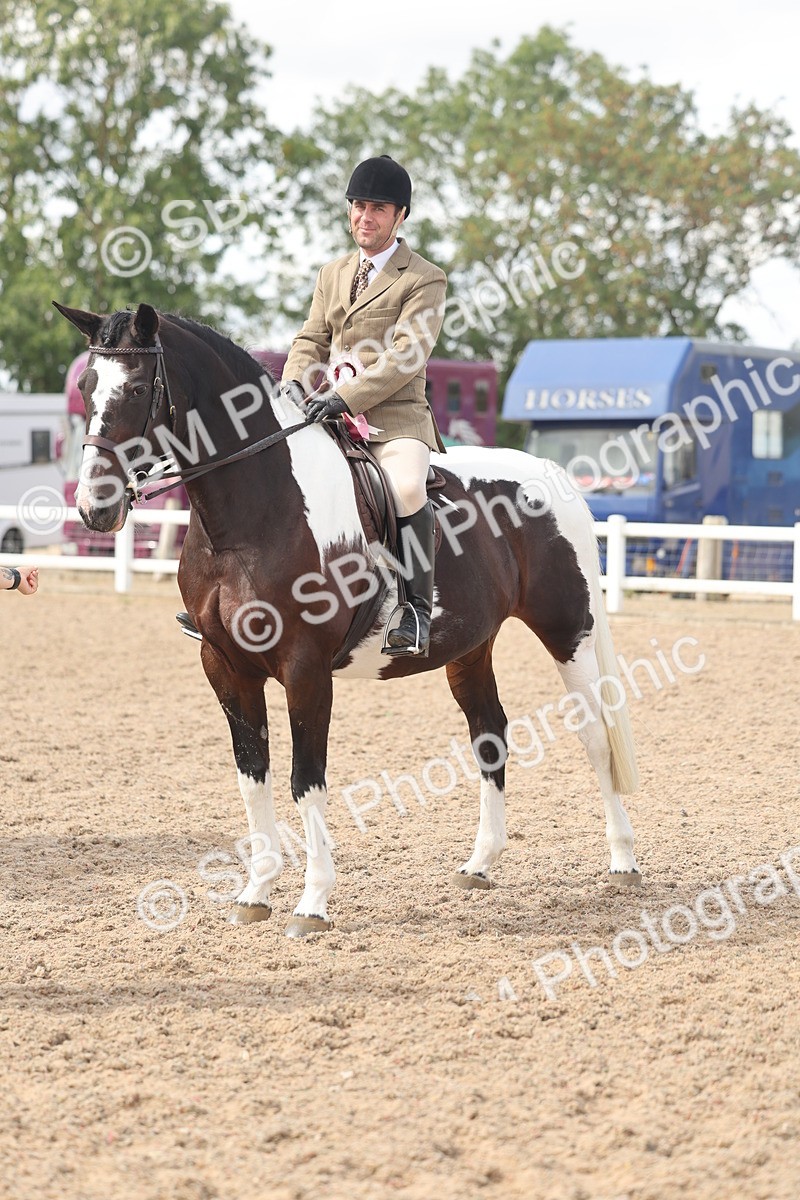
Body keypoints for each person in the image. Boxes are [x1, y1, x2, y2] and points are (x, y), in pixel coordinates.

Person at [281, 155, 447, 657]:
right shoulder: (332, 274)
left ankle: (415, 608)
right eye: (357, 206)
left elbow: (406, 357)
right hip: (327, 416)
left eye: (377, 208)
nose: (364, 217)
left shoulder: (423, 278)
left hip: (394, 421)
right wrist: (292, 384)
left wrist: (342, 397)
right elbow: (312, 337)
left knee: (405, 486)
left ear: (400, 216)